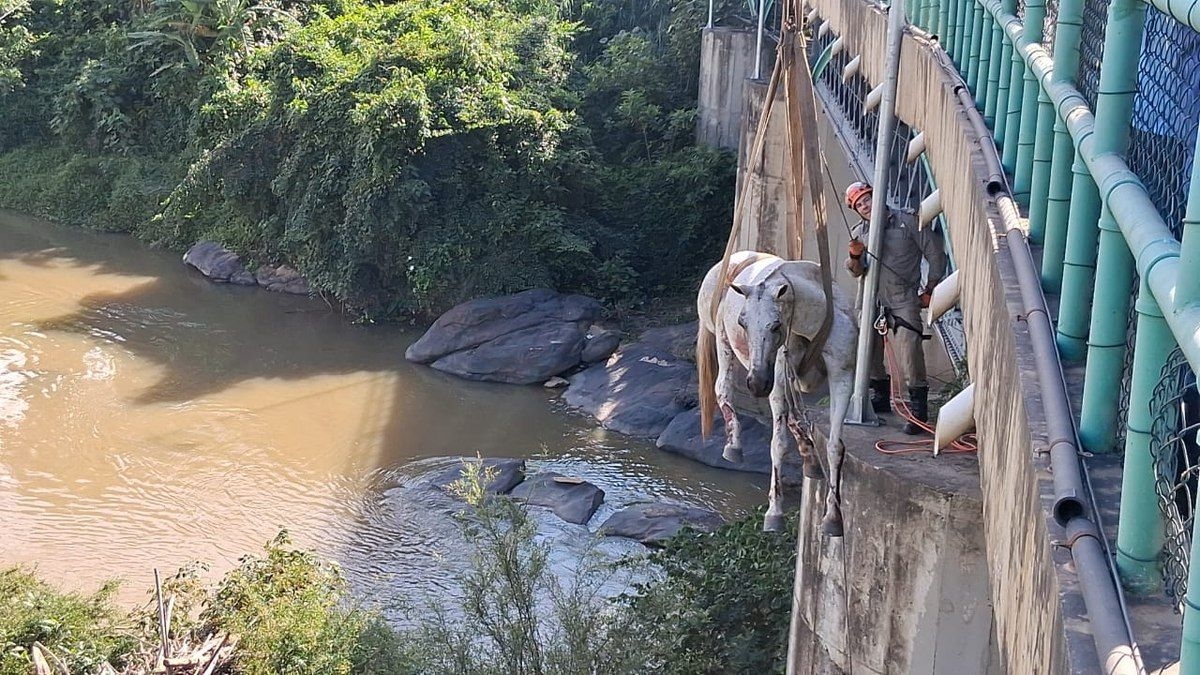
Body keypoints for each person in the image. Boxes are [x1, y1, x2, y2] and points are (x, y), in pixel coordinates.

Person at [843, 181, 947, 434]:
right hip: (871, 299)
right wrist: (855, 256)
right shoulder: (860, 232)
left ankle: (918, 411)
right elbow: (858, 272)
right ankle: (880, 396)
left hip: (903, 299)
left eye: (867, 199)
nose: (865, 206)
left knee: (910, 352)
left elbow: (935, 254)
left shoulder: (907, 221)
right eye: (859, 204)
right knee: (868, 351)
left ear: (876, 197)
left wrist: (931, 289)